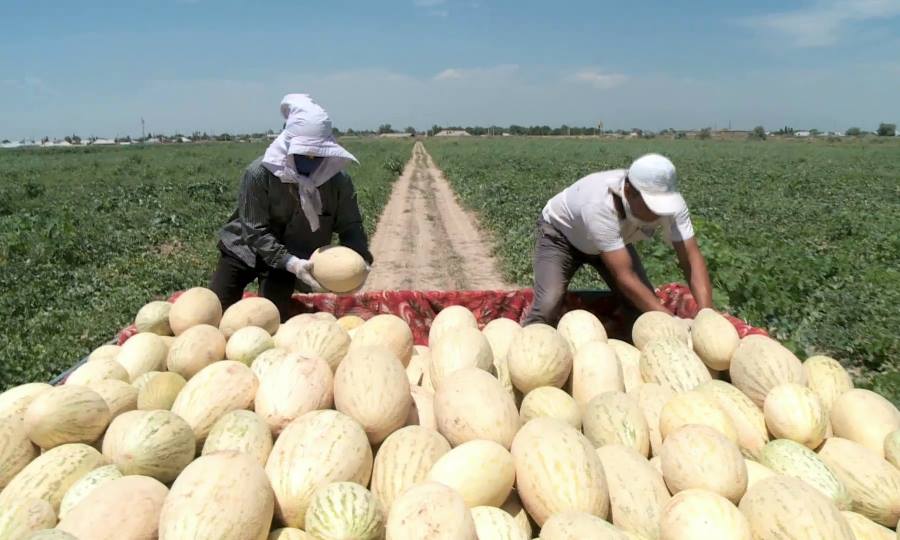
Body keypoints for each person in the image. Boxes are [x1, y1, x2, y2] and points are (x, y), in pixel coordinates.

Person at [210, 94, 373, 320]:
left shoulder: (337, 182)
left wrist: (360, 261)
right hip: (243, 248)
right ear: (288, 145)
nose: (312, 159)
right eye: (304, 153)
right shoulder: (258, 174)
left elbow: (351, 226)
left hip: (288, 256)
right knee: (216, 310)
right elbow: (255, 232)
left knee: (271, 318)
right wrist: (292, 263)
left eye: (318, 154)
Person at [523, 153, 713, 332]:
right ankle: (527, 344)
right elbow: (625, 276)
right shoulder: (599, 205)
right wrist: (672, 322)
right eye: (652, 205)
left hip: (613, 243)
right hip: (560, 237)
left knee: (641, 308)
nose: (658, 213)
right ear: (629, 191)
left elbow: (690, 257)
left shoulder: (673, 206)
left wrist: (707, 317)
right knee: (548, 303)